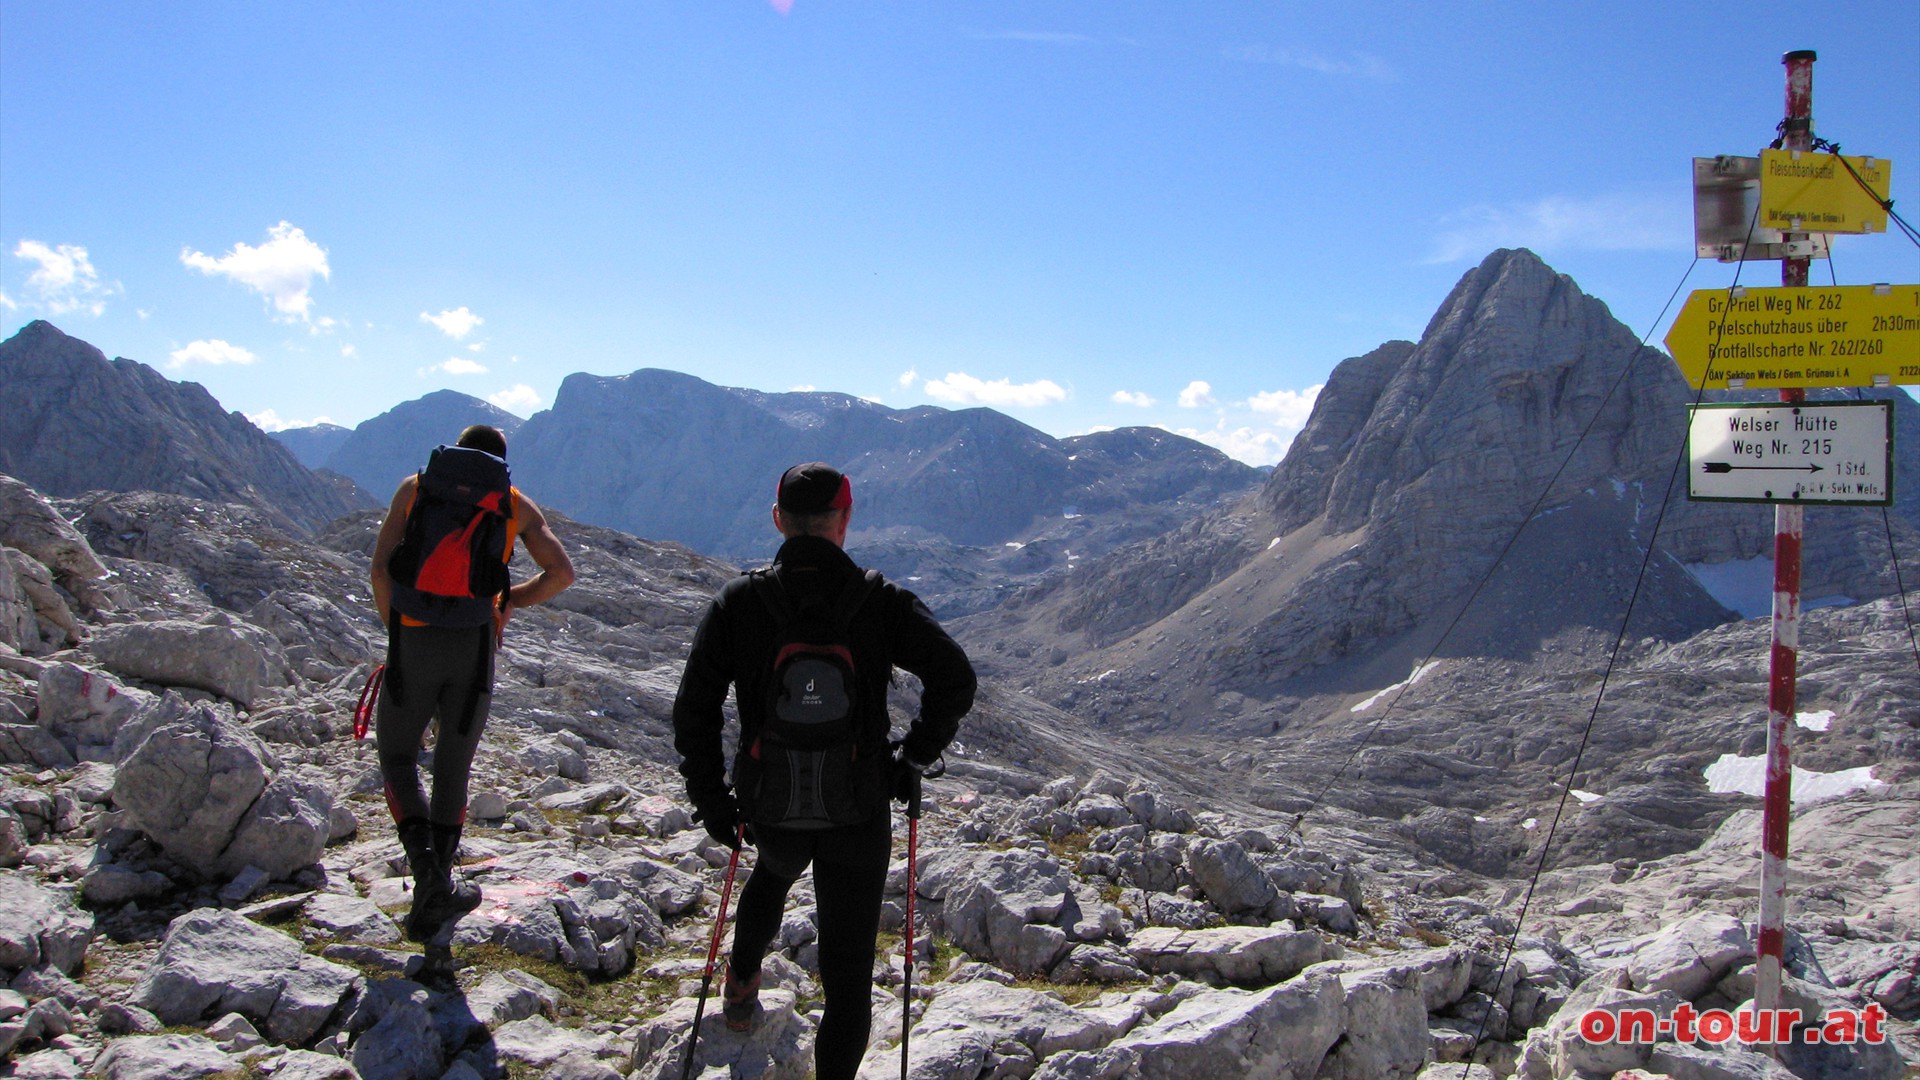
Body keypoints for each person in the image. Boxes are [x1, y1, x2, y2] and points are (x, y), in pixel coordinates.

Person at [672, 462, 975, 1080]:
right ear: (846, 519)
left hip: (770, 800)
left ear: (778, 519)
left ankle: (740, 987)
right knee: (848, 971)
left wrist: (712, 799)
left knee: (772, 873)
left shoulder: (743, 601)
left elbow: (694, 707)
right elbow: (955, 678)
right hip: (858, 806)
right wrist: (912, 758)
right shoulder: (879, 601)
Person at [370, 423, 575, 941]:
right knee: (452, 766)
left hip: (413, 641)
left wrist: (398, 630)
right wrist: (504, 604)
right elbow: (561, 574)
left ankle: (428, 878)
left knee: (397, 757)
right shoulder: (513, 505)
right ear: (501, 462)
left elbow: (380, 571)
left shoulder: (414, 488)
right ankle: (440, 882)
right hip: (473, 646)